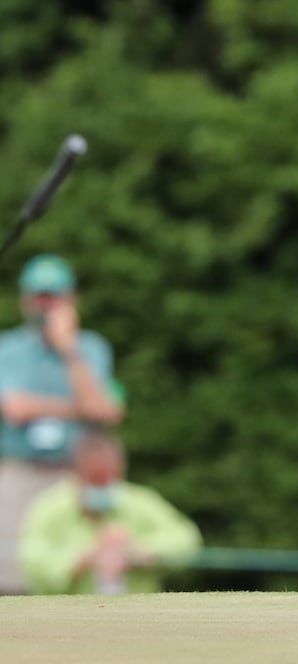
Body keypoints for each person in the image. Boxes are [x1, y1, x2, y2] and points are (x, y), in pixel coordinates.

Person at [0, 254, 124, 594]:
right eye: (40, 296)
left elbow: (105, 411)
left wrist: (69, 350)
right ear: (26, 300)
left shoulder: (91, 347)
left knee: (74, 571)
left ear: (72, 300)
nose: (46, 305)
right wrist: (80, 408)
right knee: (10, 574)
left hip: (74, 476)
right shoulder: (8, 347)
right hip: (19, 471)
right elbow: (15, 408)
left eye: (54, 296)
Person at [18, 429, 200, 594]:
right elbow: (31, 560)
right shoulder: (49, 508)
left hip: (139, 616)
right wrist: (83, 559)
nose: (103, 485)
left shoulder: (141, 501)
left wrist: (140, 552)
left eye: (109, 477)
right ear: (77, 473)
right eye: (96, 478)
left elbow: (187, 538)